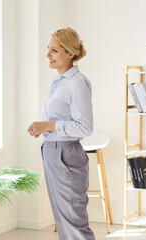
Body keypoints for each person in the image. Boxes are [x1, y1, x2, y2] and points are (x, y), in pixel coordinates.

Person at [26, 27, 94, 240]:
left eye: (54, 50)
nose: (48, 55)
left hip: (66, 154)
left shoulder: (76, 83)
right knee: (64, 221)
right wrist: (45, 127)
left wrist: (48, 126)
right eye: (49, 49)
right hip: (53, 152)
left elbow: (85, 127)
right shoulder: (60, 82)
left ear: (70, 53)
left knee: (74, 222)